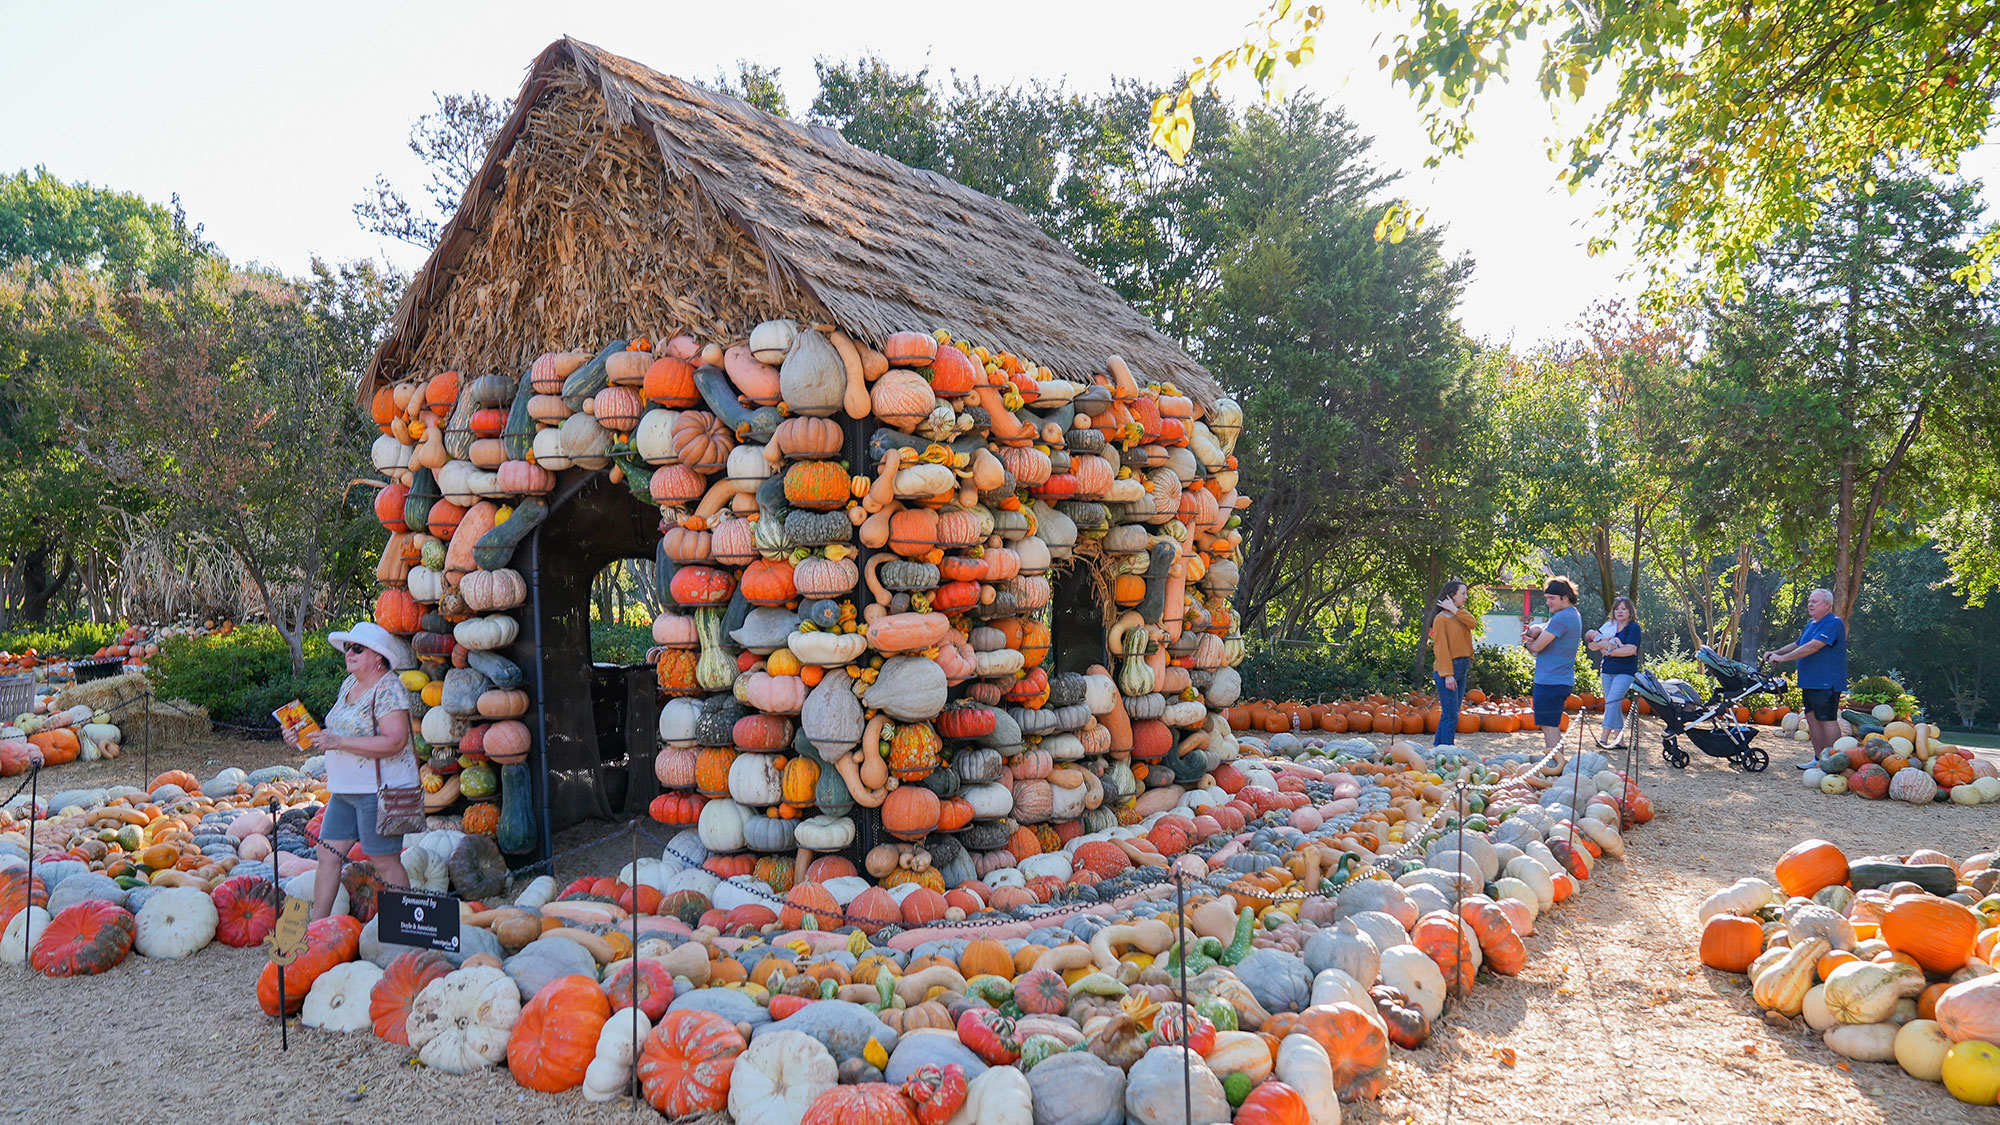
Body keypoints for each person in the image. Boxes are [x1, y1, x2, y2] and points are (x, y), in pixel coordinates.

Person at [281, 620, 417, 920]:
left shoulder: (389, 688)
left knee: (384, 861)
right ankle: (319, 930)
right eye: (347, 648)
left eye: (357, 648)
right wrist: (302, 736)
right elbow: (338, 732)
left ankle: (407, 928)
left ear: (378, 657)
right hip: (345, 789)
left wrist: (338, 741)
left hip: (379, 790)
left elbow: (396, 742)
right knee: (327, 854)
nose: (349, 653)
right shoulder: (349, 685)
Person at [1764, 587, 1847, 768]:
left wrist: (1782, 659)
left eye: (1814, 601)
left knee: (1827, 720)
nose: (1809, 604)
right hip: (1809, 681)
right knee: (1811, 719)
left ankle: (1834, 763)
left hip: (1826, 682)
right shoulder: (1812, 623)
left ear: (1827, 604)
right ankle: (1818, 760)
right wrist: (1776, 652)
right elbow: (1798, 643)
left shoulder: (1833, 623)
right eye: (1809, 601)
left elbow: (1813, 647)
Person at [1521, 577, 1583, 752]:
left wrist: (1527, 643)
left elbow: (1537, 647)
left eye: (1551, 598)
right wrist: (1536, 630)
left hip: (1550, 681)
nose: (1548, 602)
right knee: (1551, 725)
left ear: (1565, 597)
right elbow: (1544, 628)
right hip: (1559, 680)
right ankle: (1556, 763)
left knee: (1550, 727)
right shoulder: (1571, 614)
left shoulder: (1562, 618)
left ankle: (1555, 766)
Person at [1586, 596, 1642, 749]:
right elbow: (1592, 645)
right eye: (1617, 609)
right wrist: (1603, 644)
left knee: (1611, 702)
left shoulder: (1633, 628)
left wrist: (1609, 652)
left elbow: (1631, 650)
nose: (1620, 611)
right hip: (1607, 670)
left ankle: (1604, 739)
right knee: (1614, 704)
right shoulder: (1608, 626)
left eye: (1623, 609)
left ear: (1630, 611)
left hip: (1625, 671)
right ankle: (1620, 740)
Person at [1429, 581, 1477, 747]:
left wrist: (1455, 610)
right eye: (1462, 593)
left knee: (1451, 713)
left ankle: (1438, 750)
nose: (1466, 597)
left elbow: (1473, 623)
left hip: (1462, 666)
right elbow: (1440, 648)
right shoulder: (1441, 619)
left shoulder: (1460, 615)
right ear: (1451, 595)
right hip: (1449, 669)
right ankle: (1447, 751)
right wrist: (1448, 674)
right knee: (1451, 715)